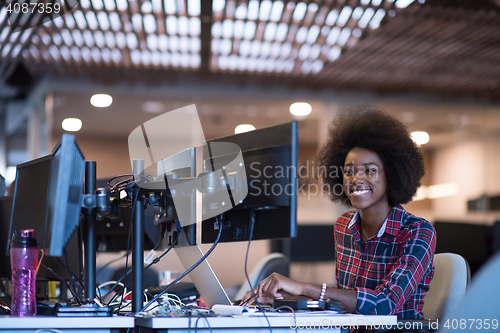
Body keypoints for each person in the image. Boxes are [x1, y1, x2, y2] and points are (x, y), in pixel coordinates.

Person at [242, 104, 436, 320]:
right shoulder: (344, 226)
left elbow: (384, 304)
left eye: (370, 170)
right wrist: (281, 298)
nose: (356, 179)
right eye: (348, 171)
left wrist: (304, 286)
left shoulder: (418, 232)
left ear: (392, 175)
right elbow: (340, 300)